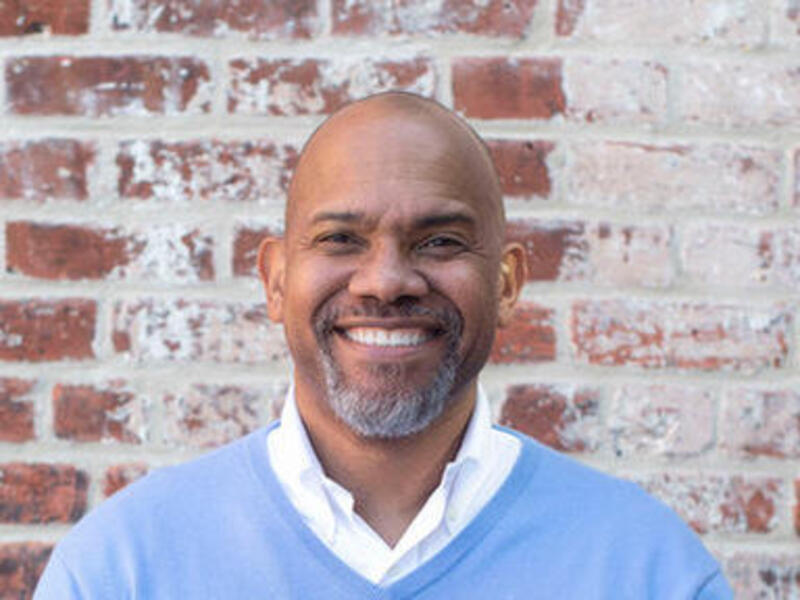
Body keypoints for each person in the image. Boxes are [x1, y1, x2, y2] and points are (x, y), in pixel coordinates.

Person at [35, 92, 733, 598]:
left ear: (508, 283)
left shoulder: (647, 570)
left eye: (439, 241)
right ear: (276, 281)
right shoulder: (122, 570)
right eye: (341, 239)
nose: (386, 282)